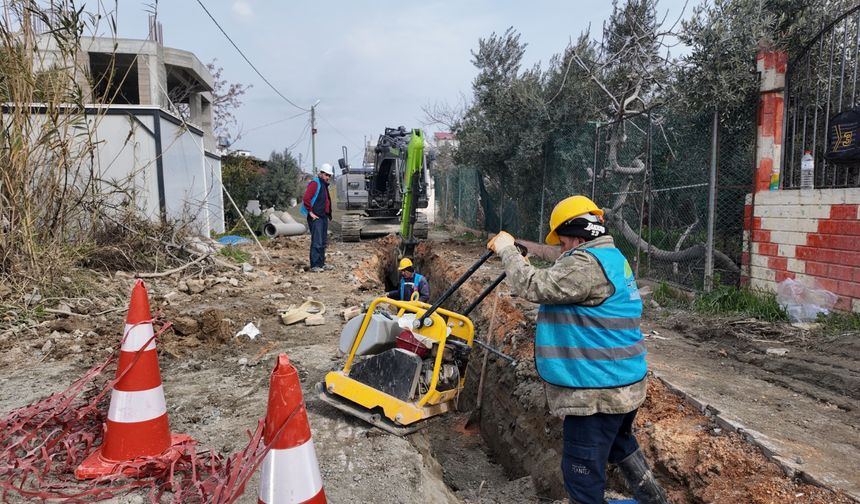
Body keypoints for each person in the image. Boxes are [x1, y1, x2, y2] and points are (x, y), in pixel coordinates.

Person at [486, 195, 668, 504]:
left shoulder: (587, 264)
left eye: (562, 241)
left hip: (596, 390)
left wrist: (507, 250)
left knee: (581, 473)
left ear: (577, 233)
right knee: (618, 444)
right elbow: (557, 282)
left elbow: (532, 287)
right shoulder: (610, 258)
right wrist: (526, 263)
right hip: (622, 382)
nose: (561, 248)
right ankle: (653, 499)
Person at [301, 163, 334, 273]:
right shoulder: (315, 183)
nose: (328, 177)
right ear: (321, 173)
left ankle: (321, 263)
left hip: (323, 216)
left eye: (329, 175)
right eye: (326, 175)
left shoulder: (324, 184)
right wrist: (310, 212)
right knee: (317, 241)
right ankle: (315, 264)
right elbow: (306, 198)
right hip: (316, 217)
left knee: (323, 241)